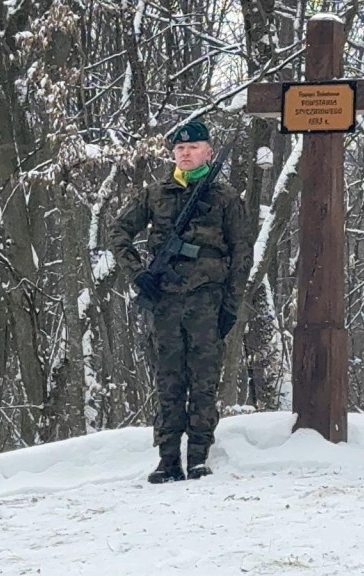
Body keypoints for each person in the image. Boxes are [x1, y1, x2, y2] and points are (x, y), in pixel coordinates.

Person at [109, 119, 253, 484]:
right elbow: (119, 231)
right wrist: (137, 273)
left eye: (193, 148)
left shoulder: (224, 197)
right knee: (169, 381)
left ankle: (199, 457)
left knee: (204, 381)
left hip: (208, 301)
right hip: (166, 302)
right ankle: (168, 459)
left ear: (208, 151)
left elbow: (242, 254)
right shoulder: (155, 194)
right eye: (179, 148)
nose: (185, 154)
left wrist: (231, 306)